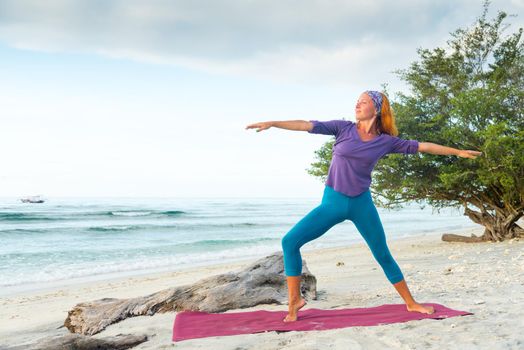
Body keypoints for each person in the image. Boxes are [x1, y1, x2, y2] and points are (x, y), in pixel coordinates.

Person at [245, 90, 482, 323]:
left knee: (382, 253)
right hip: (333, 202)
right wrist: (274, 123)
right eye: (356, 101)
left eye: (363, 102)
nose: (357, 105)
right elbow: (305, 125)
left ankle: (411, 302)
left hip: (361, 204)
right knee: (290, 242)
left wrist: (457, 152)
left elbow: (423, 146)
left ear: (376, 109)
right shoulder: (343, 128)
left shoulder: (385, 142)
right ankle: (294, 301)